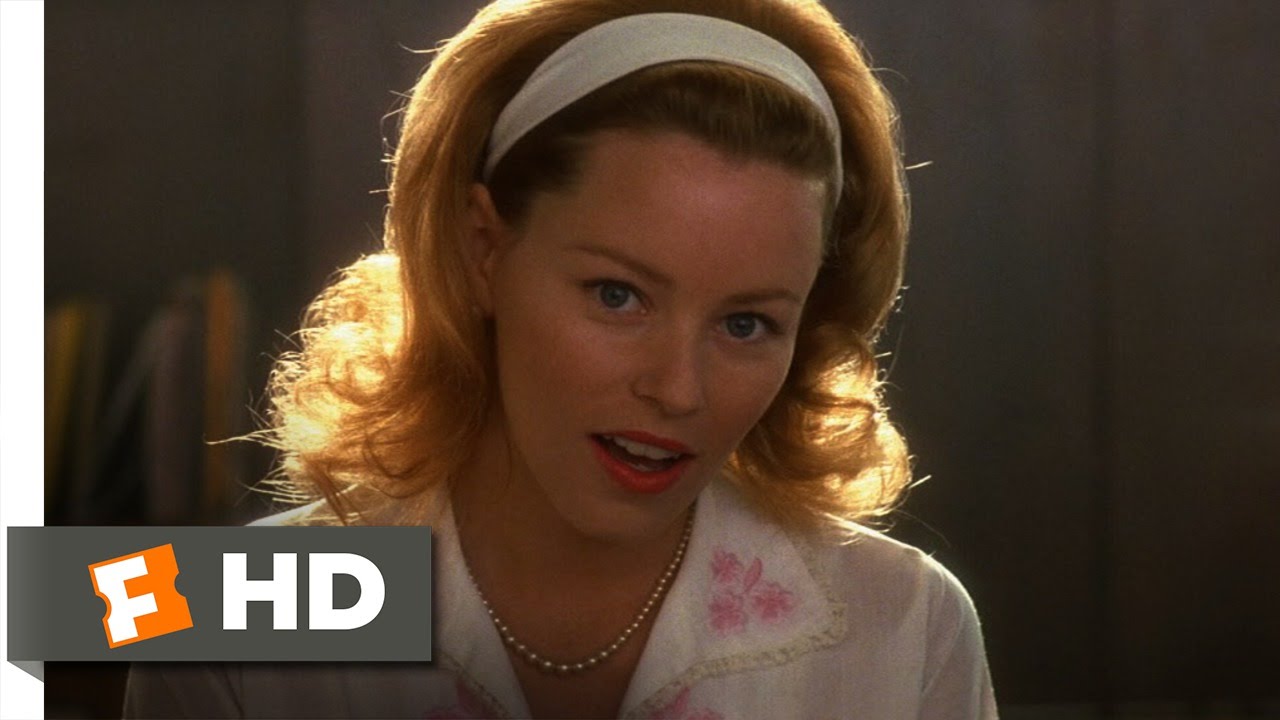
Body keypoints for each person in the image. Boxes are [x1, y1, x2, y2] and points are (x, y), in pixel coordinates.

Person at [126, 0, 997, 717]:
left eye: (745, 324)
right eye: (618, 295)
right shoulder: (214, 618)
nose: (677, 389)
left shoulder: (904, 627)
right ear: (482, 250)